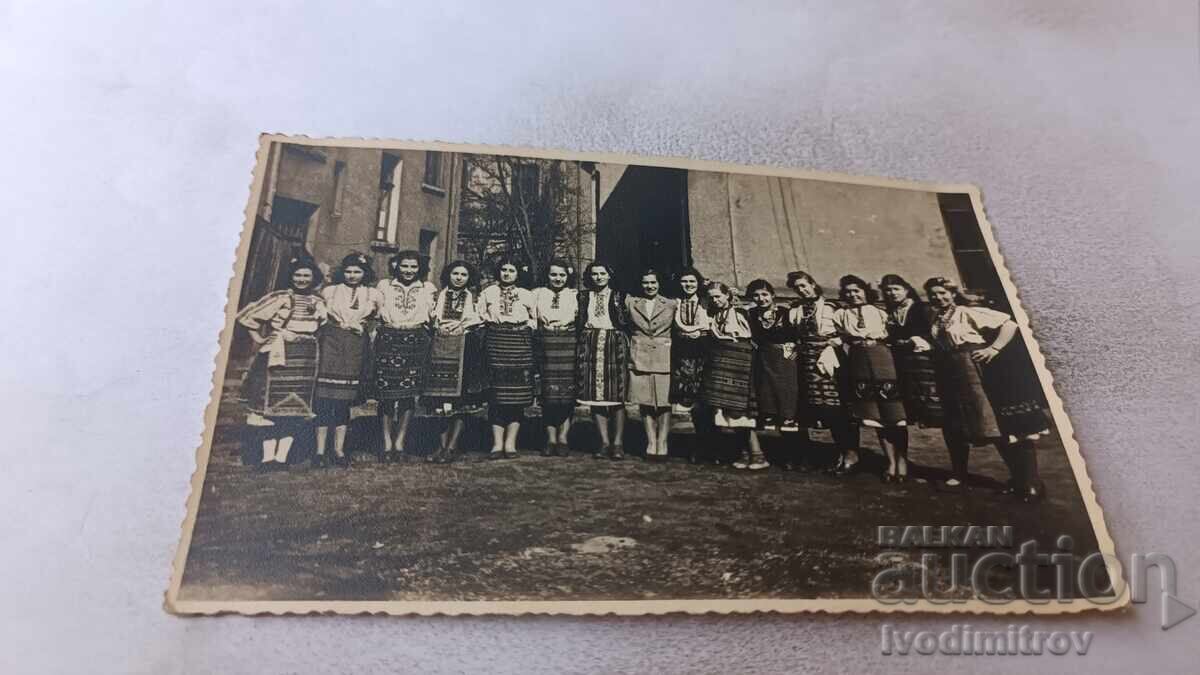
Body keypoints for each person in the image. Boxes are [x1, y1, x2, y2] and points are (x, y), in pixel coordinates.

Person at [924, 277, 1051, 501]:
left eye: (943, 293)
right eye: (933, 294)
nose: (938, 297)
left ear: (953, 293)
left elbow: (1009, 324)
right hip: (953, 374)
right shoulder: (936, 317)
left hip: (978, 372)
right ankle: (1016, 480)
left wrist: (994, 348)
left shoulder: (968, 312)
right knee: (988, 428)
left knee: (1005, 425)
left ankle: (1032, 483)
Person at [235, 255, 327, 471]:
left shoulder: (319, 301)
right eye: (297, 275)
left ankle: (281, 459)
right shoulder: (280, 297)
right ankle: (267, 459)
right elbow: (248, 317)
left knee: (294, 409)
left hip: (304, 360)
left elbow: (322, 327)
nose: (302, 279)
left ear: (313, 278)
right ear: (291, 276)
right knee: (270, 407)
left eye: (306, 275)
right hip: (278, 357)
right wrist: (259, 339)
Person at [833, 275, 908, 482]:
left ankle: (902, 461)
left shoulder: (881, 311)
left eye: (856, 290)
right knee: (875, 415)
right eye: (848, 292)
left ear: (866, 291)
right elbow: (840, 336)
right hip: (858, 363)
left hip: (883, 359)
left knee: (894, 414)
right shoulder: (840, 314)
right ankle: (890, 462)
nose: (852, 295)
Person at [786, 271, 859, 474]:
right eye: (797, 287)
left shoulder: (831, 307)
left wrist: (835, 342)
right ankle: (812, 455)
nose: (802, 290)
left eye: (804, 285)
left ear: (813, 283)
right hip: (806, 362)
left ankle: (850, 453)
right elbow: (793, 336)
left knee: (837, 407)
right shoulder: (796, 310)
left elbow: (846, 333)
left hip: (830, 360)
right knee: (812, 407)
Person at [313, 252, 381, 468]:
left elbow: (376, 321)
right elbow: (320, 316)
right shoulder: (330, 291)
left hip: (355, 346)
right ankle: (320, 451)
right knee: (324, 400)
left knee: (343, 402)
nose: (352, 275)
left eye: (357, 271)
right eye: (349, 271)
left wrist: (363, 328)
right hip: (331, 344)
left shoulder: (372, 294)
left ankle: (339, 450)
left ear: (364, 273)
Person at [421, 260, 487, 463]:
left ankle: (452, 446)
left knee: (459, 400)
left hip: (464, 349)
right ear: (448, 275)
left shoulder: (474, 297)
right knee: (440, 399)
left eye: (463, 275)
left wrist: (462, 326)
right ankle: (439, 446)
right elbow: (431, 317)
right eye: (455, 273)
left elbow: (478, 318)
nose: (459, 278)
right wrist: (438, 326)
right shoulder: (439, 295)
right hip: (439, 347)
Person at [374, 250, 437, 463]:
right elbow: (375, 311)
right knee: (386, 394)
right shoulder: (384, 286)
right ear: (396, 266)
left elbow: (432, 315)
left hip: (415, 341)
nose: (409, 271)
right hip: (389, 339)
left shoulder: (427, 288)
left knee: (408, 394)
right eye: (404, 266)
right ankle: (386, 442)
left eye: (413, 267)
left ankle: (400, 441)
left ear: (420, 268)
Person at [702, 281, 768, 470]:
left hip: (741, 364)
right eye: (712, 297)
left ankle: (758, 454)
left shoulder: (741, 313)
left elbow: (753, 338)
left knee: (742, 413)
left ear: (727, 296)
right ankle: (743, 453)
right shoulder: (716, 315)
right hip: (722, 364)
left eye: (719, 296)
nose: (716, 300)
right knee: (729, 412)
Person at [881, 274, 943, 472]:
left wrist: (914, 340)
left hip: (925, 366)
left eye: (896, 289)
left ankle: (958, 471)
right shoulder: (890, 312)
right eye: (888, 290)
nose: (892, 293)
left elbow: (935, 335)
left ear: (906, 289)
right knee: (898, 414)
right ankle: (899, 461)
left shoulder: (923, 309)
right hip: (900, 366)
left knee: (939, 412)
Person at [477, 257, 537, 459]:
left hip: (520, 344)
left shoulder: (527, 295)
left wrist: (526, 326)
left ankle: (510, 444)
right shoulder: (489, 292)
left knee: (516, 396)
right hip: (496, 342)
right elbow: (479, 314)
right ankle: (496, 444)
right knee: (497, 395)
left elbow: (535, 318)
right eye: (504, 269)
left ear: (518, 273)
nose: (507, 273)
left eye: (512, 270)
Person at [576, 261, 631, 460]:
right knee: (595, 396)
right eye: (594, 274)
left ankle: (618, 443)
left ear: (609, 276)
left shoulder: (619, 296)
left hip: (614, 343)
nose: (598, 277)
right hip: (589, 343)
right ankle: (604, 442)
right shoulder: (583, 297)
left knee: (616, 395)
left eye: (602, 273)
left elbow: (628, 322)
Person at [625, 268, 676, 461]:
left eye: (653, 282)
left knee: (664, 402)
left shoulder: (671, 304)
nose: (649, 286)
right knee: (645, 401)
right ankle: (651, 441)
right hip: (640, 355)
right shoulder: (631, 303)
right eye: (645, 282)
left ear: (659, 283)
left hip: (664, 355)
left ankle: (662, 442)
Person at [531, 259, 579, 457]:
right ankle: (551, 438)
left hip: (569, 343)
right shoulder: (537, 294)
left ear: (568, 277)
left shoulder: (575, 295)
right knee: (548, 394)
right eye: (553, 274)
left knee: (567, 395)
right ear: (547, 275)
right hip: (546, 343)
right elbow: (532, 319)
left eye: (562, 275)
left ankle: (564, 438)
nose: (558, 278)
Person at [670, 267, 716, 464]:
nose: (688, 285)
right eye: (684, 282)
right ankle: (700, 445)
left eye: (691, 282)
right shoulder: (675, 303)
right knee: (693, 404)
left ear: (698, 283)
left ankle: (713, 447)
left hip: (705, 354)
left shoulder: (708, 303)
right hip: (683, 356)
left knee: (708, 403)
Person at [747, 279, 800, 435]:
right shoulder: (751, 314)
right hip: (763, 358)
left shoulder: (785, 312)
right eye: (756, 295)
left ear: (773, 295)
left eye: (765, 294)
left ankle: (799, 447)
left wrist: (792, 352)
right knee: (767, 392)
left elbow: (797, 335)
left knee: (787, 392)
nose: (761, 299)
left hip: (785, 359)